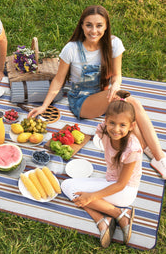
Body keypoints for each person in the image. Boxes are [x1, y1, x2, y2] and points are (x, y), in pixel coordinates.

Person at [28, 5, 166, 179]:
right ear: (82, 26)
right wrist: (44, 106)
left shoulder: (114, 44)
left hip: (106, 95)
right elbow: (58, 80)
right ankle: (160, 157)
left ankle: (152, 152)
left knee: (132, 112)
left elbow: (117, 75)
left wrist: (115, 85)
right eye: (89, 25)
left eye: (99, 25)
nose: (94, 30)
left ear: (106, 26)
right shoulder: (71, 49)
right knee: (132, 104)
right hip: (82, 101)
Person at [62, 90, 142, 248]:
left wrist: (92, 196)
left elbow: (121, 184)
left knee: (69, 187)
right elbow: (99, 139)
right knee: (72, 188)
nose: (116, 129)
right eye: (112, 123)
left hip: (124, 191)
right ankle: (102, 219)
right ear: (106, 120)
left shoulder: (132, 149)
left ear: (132, 126)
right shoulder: (104, 131)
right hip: (111, 181)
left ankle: (119, 214)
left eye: (122, 125)